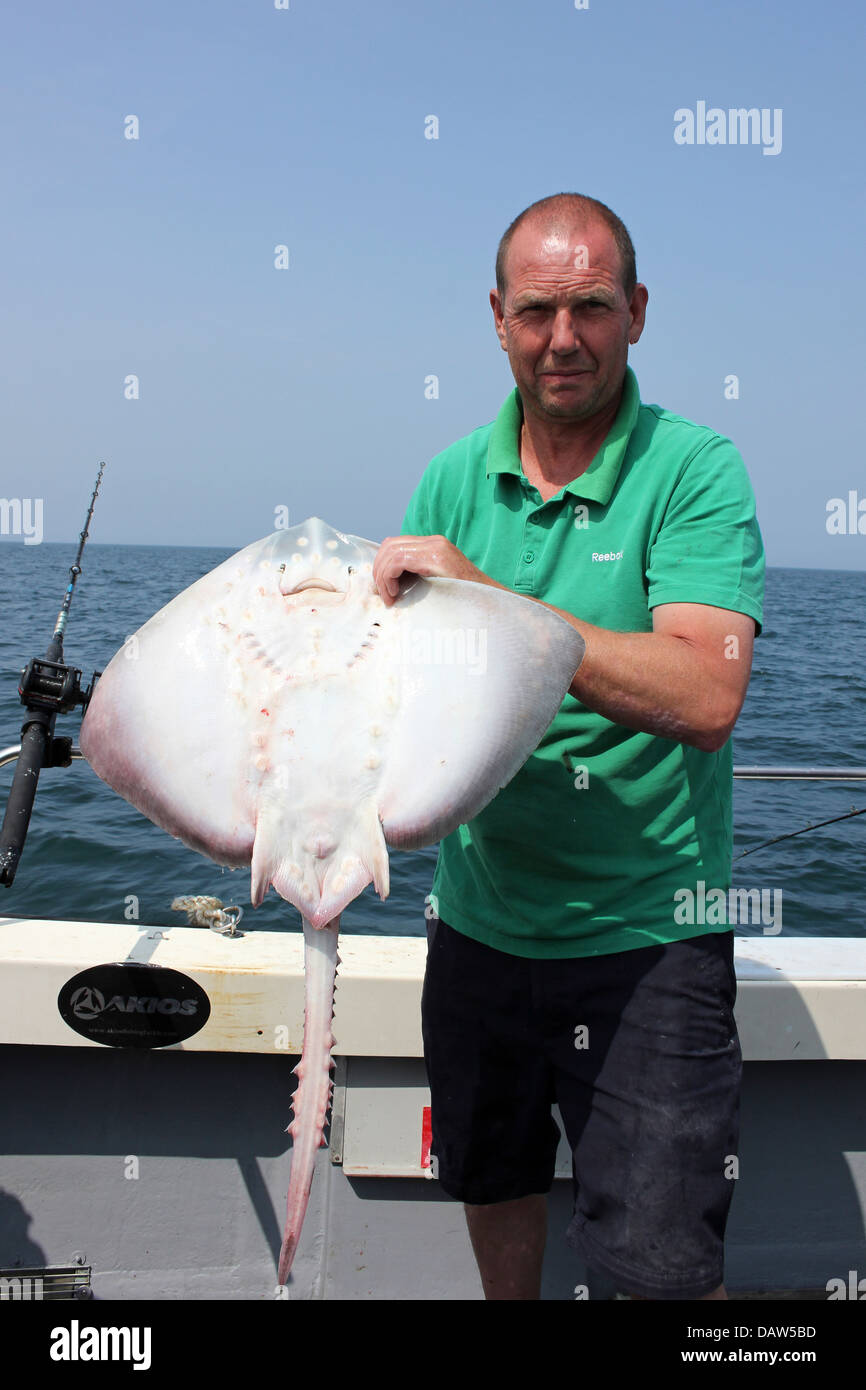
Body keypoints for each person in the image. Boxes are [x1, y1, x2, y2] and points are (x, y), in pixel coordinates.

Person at [371, 193, 764, 1301]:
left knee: (657, 1266)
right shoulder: (450, 478)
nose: (561, 338)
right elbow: (411, 703)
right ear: (494, 317)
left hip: (647, 943)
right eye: (536, 309)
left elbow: (703, 694)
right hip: (479, 929)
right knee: (490, 1185)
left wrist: (491, 598)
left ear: (636, 312)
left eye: (590, 306)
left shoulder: (694, 470)